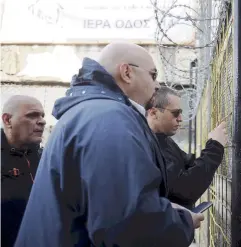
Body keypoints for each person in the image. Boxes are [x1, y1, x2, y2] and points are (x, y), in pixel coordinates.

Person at [14, 42, 204, 247]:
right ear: (127, 72)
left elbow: (107, 203)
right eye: (153, 75)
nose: (157, 85)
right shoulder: (111, 119)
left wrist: (161, 208)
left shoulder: (94, 113)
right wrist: (184, 223)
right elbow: (127, 225)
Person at [147, 86, 228, 209]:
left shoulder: (164, 140)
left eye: (180, 113)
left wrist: (212, 144)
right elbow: (185, 190)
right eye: (175, 113)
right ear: (154, 113)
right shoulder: (150, 145)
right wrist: (215, 147)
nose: (180, 119)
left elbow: (189, 163)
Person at [1, 95, 46, 247]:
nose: (42, 121)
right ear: (7, 120)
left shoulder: (46, 159)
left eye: (42, 116)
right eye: (32, 115)